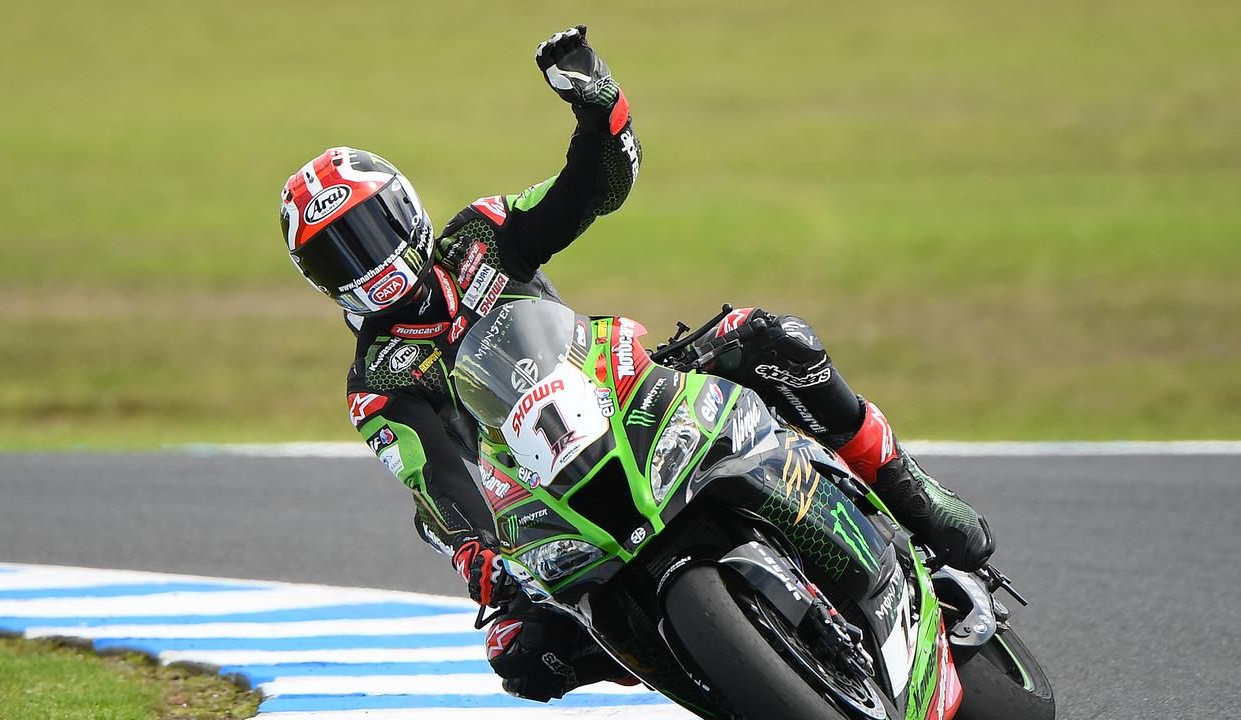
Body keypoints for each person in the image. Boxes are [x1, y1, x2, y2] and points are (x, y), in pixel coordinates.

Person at [279, 25, 994, 702]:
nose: (367, 262)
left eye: (369, 233)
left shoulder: (481, 235)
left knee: (770, 336)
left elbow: (586, 192)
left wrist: (598, 107)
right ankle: (726, 672)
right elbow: (432, 478)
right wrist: (480, 560)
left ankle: (910, 492)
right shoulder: (378, 381)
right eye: (337, 254)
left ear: (405, 211)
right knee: (519, 655)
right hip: (538, 499)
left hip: (622, 394)